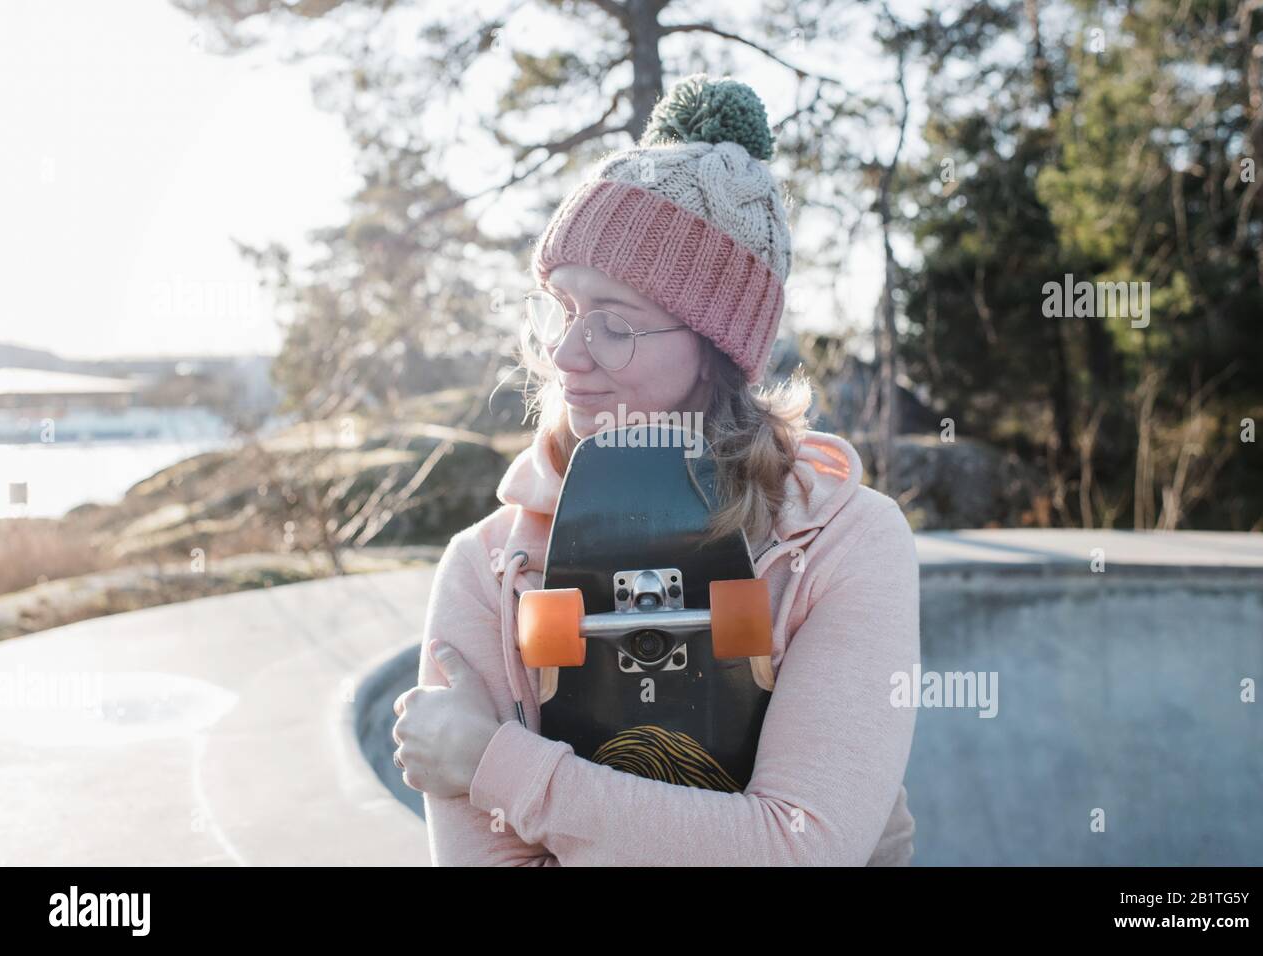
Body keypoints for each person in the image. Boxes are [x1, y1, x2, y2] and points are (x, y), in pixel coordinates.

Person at [391, 73, 920, 866]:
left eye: (613, 323)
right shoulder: (487, 569)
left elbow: (797, 850)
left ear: (716, 351)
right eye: (563, 312)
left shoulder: (845, 541)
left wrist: (495, 766)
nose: (567, 357)